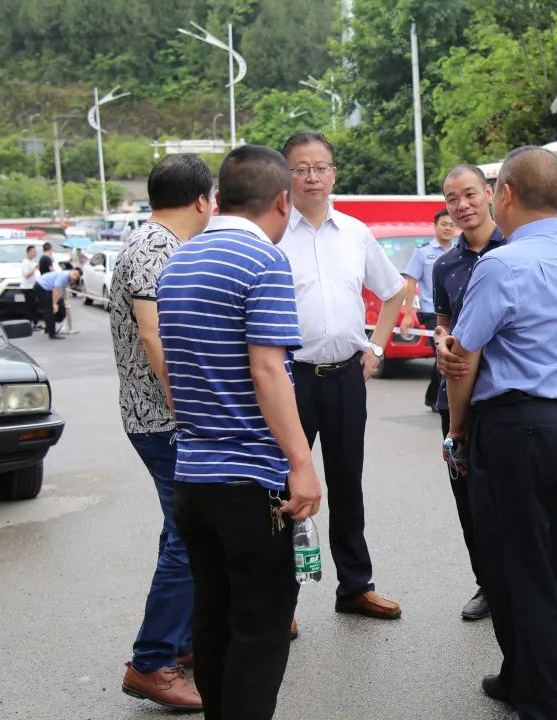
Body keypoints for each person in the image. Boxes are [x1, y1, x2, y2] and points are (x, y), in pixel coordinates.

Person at [157, 144, 322, 720]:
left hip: (192, 480)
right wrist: (301, 463)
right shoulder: (263, 262)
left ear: (219, 199)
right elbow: (268, 369)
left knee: (215, 617)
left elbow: (173, 370)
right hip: (249, 482)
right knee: (261, 626)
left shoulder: (178, 261)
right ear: (282, 200)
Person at [439, 146, 557, 720]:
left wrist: (458, 429)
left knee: (514, 562)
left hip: (512, 426)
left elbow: (462, 359)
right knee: (546, 558)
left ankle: (550, 702)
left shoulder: (501, 265)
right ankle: (519, 672)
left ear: (503, 194)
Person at [280, 130, 405, 621]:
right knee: (284, 485)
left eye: (321, 167)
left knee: (347, 483)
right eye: (301, 168)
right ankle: (280, 599)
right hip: (290, 378)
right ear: (285, 174)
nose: (312, 176)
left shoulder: (355, 232)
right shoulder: (271, 235)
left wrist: (376, 345)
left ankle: (355, 586)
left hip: (346, 378)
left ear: (334, 173)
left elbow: (394, 292)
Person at [113, 155, 213, 711]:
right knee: (187, 532)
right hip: (163, 419)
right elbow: (155, 337)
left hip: (155, 416)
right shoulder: (155, 250)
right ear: (202, 200)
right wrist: (187, 407)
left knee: (182, 528)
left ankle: (180, 639)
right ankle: (151, 661)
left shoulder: (146, 242)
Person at [431, 164, 506, 622]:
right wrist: (440, 341)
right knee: (468, 498)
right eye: (452, 198)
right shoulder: (445, 265)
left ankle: (516, 580)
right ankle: (488, 584)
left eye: (470, 195)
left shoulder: (518, 250)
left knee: (510, 496)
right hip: (456, 394)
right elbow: (442, 323)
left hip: (506, 394)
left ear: (491, 194)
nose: (462, 206)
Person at [399, 209, 455, 408]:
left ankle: (432, 395)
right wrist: (407, 315)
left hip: (454, 312)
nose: (448, 228)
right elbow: (411, 282)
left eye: (451, 225)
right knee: (443, 351)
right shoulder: (423, 252)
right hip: (431, 312)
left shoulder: (458, 251)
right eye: (444, 224)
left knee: (443, 353)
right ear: (435, 227)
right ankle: (442, 402)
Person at [34, 266, 81, 340]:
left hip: (50, 289)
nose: (74, 277)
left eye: (77, 277)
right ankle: (52, 333)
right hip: (42, 287)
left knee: (62, 311)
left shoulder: (69, 278)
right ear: (72, 271)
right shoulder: (64, 276)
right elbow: (56, 290)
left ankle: (49, 325)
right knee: (49, 309)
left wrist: (58, 302)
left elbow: (60, 291)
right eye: (74, 274)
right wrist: (54, 304)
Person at [20, 245, 39, 327]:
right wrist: (34, 269)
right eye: (33, 252)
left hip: (32, 286)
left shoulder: (32, 262)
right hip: (27, 287)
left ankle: (35, 323)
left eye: (35, 252)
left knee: (34, 305)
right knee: (29, 306)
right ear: (28, 252)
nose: (35, 254)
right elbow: (26, 274)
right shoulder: (25, 262)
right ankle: (29, 323)